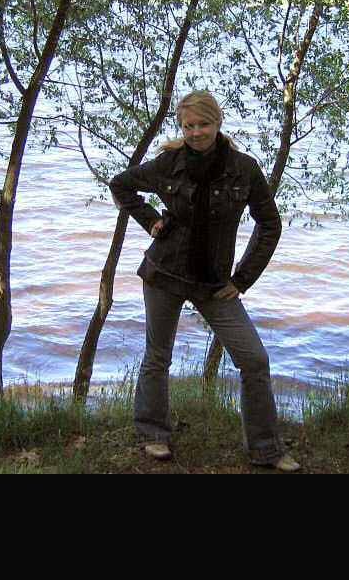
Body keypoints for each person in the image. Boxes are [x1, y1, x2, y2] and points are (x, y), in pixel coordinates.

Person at [109, 90, 300, 472]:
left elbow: (270, 224)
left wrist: (242, 279)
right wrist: (151, 220)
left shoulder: (244, 169)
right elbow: (121, 184)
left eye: (203, 124)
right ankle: (153, 433)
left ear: (218, 123)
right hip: (164, 272)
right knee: (158, 357)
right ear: (181, 127)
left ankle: (266, 448)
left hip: (214, 282)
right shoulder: (169, 164)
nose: (196, 132)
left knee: (254, 360)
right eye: (188, 126)